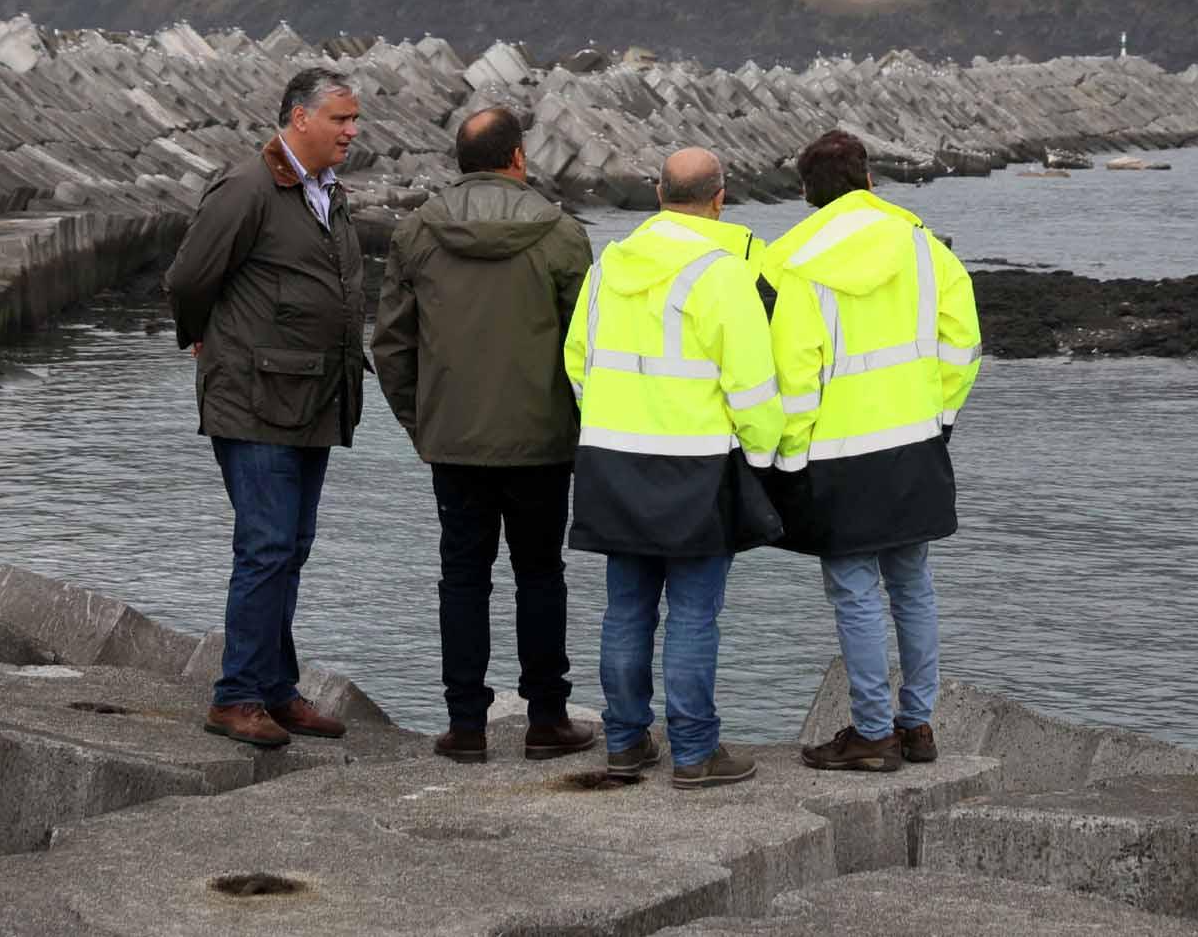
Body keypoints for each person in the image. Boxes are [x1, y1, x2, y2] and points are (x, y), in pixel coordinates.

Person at [373, 104, 597, 764]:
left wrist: (423, 423)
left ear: (459, 163)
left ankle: (466, 724)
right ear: (518, 158)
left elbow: (390, 345)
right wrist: (579, 429)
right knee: (540, 574)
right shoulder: (562, 236)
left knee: (462, 579)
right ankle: (546, 718)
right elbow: (589, 348)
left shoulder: (416, 233)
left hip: (454, 442)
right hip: (541, 441)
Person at [565, 147, 785, 790]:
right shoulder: (721, 274)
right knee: (693, 615)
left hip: (610, 460)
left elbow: (577, 359)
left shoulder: (608, 266)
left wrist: (613, 419)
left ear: (658, 193)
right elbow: (751, 386)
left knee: (625, 611)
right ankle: (693, 752)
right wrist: (765, 456)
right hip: (694, 467)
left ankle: (626, 744)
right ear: (720, 198)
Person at [764, 130, 982, 772]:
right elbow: (962, 344)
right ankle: (917, 726)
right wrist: (938, 418)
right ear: (869, 180)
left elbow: (796, 375)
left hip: (837, 454)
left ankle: (871, 732)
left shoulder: (791, 261)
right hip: (914, 442)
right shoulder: (922, 246)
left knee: (855, 593)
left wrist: (789, 458)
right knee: (912, 585)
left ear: (807, 192)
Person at [165, 66, 370, 750]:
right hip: (254, 398)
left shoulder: (327, 194)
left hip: (311, 397)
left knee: (291, 548)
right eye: (339, 118)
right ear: (298, 117)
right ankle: (237, 696)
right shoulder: (247, 188)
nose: (351, 130)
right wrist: (201, 336)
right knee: (266, 547)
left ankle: (276, 689)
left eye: (353, 119)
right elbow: (189, 277)